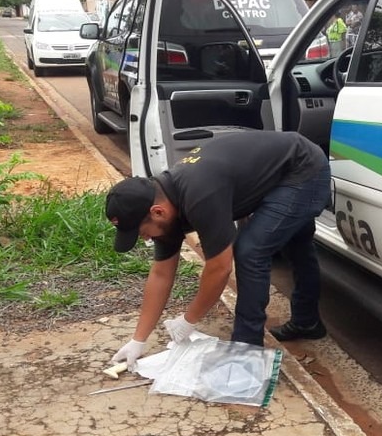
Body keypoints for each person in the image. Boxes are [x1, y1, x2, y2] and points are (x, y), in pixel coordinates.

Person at [106, 131, 331, 371]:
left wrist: (188, 319)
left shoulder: (199, 195)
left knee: (250, 251)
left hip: (304, 170)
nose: (146, 238)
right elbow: (161, 273)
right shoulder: (163, 206)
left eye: (142, 233)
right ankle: (307, 323)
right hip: (278, 172)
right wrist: (138, 340)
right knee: (296, 247)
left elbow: (220, 268)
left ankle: (247, 354)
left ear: (157, 212)